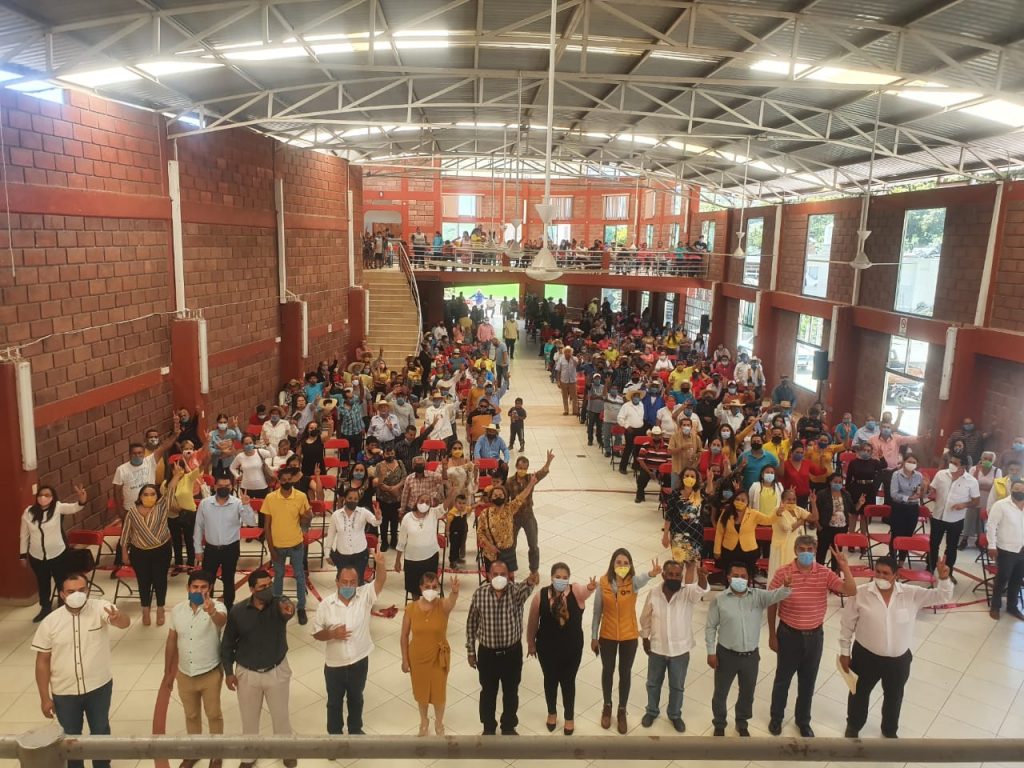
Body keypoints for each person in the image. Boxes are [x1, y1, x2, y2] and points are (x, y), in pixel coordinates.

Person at [840, 555, 954, 738]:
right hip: (866, 657)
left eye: (886, 573)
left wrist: (943, 578)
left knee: (894, 697)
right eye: (877, 572)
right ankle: (854, 725)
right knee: (858, 693)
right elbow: (847, 624)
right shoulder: (860, 593)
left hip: (898, 660)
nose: (880, 577)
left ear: (896, 575)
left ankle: (889, 730)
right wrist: (844, 652)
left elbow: (942, 596)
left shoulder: (911, 594)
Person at [32, 573, 131, 768]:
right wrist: (44, 697)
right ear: (62, 594)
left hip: (99, 687)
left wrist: (118, 617)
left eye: (81, 590)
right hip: (65, 692)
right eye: (71, 591)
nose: (77, 595)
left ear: (87, 590)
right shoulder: (50, 622)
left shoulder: (101, 608)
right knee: (70, 738)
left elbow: (124, 623)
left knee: (100, 732)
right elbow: (42, 661)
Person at [766, 535, 857, 737]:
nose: (806, 553)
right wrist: (772, 634)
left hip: (814, 637)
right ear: (795, 550)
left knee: (808, 682)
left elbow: (850, 590)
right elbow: (771, 603)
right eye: (802, 549)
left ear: (815, 551)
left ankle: (803, 721)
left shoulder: (824, 573)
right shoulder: (783, 572)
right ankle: (776, 718)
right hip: (788, 634)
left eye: (810, 549)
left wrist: (845, 567)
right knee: (782, 680)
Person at [221, 569, 297, 768]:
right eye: (262, 587)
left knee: (281, 716)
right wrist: (228, 672)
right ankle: (248, 756)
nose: (267, 589)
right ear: (252, 589)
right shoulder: (238, 612)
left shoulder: (279, 604)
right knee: (249, 719)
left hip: (276, 670)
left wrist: (289, 609)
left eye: (270, 584)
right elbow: (227, 643)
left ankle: (287, 751)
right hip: (247, 674)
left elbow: (288, 607)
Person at [706, 561, 791, 736]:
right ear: (728, 577)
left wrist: (786, 586)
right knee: (721, 692)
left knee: (747, 693)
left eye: (743, 576)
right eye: (735, 576)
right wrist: (711, 652)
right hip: (726, 655)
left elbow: (777, 595)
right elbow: (710, 627)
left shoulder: (758, 596)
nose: (740, 579)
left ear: (748, 578)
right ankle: (719, 723)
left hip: (751, 657)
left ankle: (742, 723)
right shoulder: (719, 600)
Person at [312, 550, 388, 736]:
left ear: (358, 583)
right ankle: (334, 735)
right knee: (334, 702)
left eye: (352, 582)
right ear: (337, 582)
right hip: (335, 665)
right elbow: (316, 634)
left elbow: (380, 581)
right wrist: (332, 634)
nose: (348, 586)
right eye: (344, 582)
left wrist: (380, 565)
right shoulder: (326, 605)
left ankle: (355, 729)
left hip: (359, 661)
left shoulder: (364, 596)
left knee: (356, 698)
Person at [592, 549, 662, 734]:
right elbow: (597, 612)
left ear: (630, 565)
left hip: (629, 636)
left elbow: (643, 578)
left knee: (625, 672)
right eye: (618, 562)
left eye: (625, 563)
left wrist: (652, 573)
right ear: (612, 564)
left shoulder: (633, 583)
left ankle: (622, 710)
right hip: (607, 635)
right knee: (608, 670)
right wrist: (593, 636)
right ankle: (607, 706)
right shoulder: (603, 583)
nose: (622, 566)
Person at [466, 561, 540, 735]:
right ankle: (488, 727)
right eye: (495, 574)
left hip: (511, 654)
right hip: (488, 655)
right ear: (488, 575)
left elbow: (527, 586)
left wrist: (531, 579)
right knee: (488, 693)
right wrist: (471, 651)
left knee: (511, 692)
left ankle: (508, 726)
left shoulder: (516, 592)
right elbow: (471, 623)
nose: (499, 577)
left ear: (509, 576)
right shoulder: (480, 594)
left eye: (503, 574)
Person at [639, 560, 710, 732]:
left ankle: (675, 714)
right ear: (663, 575)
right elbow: (645, 617)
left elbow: (701, 590)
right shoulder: (654, 593)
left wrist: (702, 577)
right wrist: (645, 638)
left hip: (680, 651)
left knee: (677, 686)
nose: (674, 578)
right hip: (657, 648)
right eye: (670, 574)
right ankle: (652, 711)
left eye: (678, 575)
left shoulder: (687, 592)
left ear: (682, 576)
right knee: (653, 684)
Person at [526, 564, 596, 736]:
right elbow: (533, 621)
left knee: (568, 682)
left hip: (572, 648)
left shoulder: (576, 591)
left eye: (565, 577)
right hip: (547, 648)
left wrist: (590, 588)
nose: (561, 580)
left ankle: (569, 717)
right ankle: (552, 713)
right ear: (551, 577)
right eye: (558, 577)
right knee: (550, 680)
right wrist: (530, 643)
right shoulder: (541, 596)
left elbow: (585, 592)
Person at [162, 570, 227, 753]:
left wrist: (211, 611)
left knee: (214, 715)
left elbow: (221, 621)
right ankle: (194, 752)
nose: (199, 591)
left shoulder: (218, 607)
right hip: (184, 674)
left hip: (210, 673)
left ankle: (216, 753)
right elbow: (171, 640)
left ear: (210, 588)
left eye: (203, 587)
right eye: (195, 587)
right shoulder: (177, 610)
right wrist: (168, 672)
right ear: (188, 588)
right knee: (191, 715)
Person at [121, 467, 183, 626]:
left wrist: (176, 476)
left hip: (161, 550)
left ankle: (160, 608)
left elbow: (170, 490)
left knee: (160, 580)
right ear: (140, 496)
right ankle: (145, 609)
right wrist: (124, 552)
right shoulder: (132, 512)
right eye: (145, 494)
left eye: (152, 494)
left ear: (157, 496)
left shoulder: (162, 506)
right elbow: (126, 533)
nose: (149, 497)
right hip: (139, 553)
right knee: (143, 581)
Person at [401, 572, 461, 736]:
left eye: (434, 587)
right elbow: (404, 635)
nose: (431, 590)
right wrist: (405, 659)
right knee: (421, 693)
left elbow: (451, 601)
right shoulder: (411, 609)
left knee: (439, 694)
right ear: (421, 588)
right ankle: (424, 721)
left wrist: (454, 592)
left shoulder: (442, 606)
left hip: (438, 658)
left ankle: (439, 723)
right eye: (427, 587)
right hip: (417, 657)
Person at [20, 483, 87, 622]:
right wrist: (22, 555)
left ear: (53, 497)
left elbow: (75, 507)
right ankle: (45, 608)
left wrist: (81, 498)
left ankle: (64, 606)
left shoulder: (58, 507)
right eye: (40, 495)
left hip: (58, 553)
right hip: (37, 556)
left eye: (47, 495)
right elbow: (24, 535)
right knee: (43, 582)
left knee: (61, 581)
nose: (43, 498)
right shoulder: (28, 512)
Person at [193, 476, 258, 610]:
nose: (224, 488)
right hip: (211, 549)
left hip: (231, 549)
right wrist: (198, 549)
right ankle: (207, 607)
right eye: (221, 486)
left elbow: (251, 522)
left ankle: (228, 609)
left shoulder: (238, 503)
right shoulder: (205, 503)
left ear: (231, 487)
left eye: (227, 486)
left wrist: (246, 505)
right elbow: (198, 527)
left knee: (228, 580)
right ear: (215, 487)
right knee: (207, 581)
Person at [262, 466, 313, 625]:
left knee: (299, 575)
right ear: (279, 481)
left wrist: (308, 517)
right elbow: (267, 526)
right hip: (277, 546)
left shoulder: (301, 496)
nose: (286, 482)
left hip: (296, 544)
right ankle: (277, 605)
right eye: (283, 480)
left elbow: (306, 520)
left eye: (289, 479)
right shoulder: (270, 498)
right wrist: (271, 549)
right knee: (278, 575)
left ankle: (301, 607)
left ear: (293, 480)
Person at [926, 454, 980, 578]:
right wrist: (927, 488)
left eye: (955, 463)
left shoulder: (971, 481)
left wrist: (964, 505)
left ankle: (948, 572)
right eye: (951, 462)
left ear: (963, 466)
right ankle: (930, 568)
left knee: (951, 547)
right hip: (938, 516)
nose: (951, 465)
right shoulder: (941, 474)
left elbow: (976, 501)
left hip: (955, 519)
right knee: (933, 544)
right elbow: (931, 490)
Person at [504, 450, 555, 579]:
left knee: (533, 545)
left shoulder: (530, 478)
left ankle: (534, 570)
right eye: (520, 468)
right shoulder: (509, 482)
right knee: (511, 545)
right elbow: (505, 499)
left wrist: (548, 462)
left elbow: (542, 473)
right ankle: (510, 570)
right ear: (516, 467)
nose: (522, 470)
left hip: (528, 516)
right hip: (514, 517)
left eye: (525, 468)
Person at [477, 477, 539, 575]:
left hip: (508, 551)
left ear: (505, 496)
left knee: (509, 577)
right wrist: (490, 546)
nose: (498, 497)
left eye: (500, 495)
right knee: (493, 578)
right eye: (495, 495)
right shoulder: (485, 513)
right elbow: (480, 533)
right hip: (491, 553)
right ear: (491, 498)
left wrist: (531, 484)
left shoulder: (509, 509)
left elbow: (521, 497)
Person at [395, 493, 448, 597]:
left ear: (430, 505)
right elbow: (401, 541)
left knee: (429, 589)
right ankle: (416, 606)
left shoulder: (433, 513)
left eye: (427, 502)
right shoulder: (407, 518)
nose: (424, 504)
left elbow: (445, 505)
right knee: (414, 589)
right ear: (416, 502)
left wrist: (452, 492)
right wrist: (397, 561)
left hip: (430, 558)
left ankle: (428, 605)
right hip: (412, 560)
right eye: (422, 501)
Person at [986, 478, 1024, 620]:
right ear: (1011, 490)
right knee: (1002, 579)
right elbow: (991, 526)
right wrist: (991, 545)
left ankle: (1012, 607)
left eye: (1022, 490)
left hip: (1022, 549)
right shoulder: (1001, 505)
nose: (1020, 492)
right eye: (1017, 489)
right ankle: (995, 607)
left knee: (1017, 579)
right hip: (1006, 549)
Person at [327, 487, 381, 584]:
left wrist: (378, 518)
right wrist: (327, 554)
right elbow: (330, 536)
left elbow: (375, 522)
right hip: (342, 555)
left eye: (355, 499)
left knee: (358, 581)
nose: (352, 501)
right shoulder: (336, 515)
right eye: (350, 498)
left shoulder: (363, 512)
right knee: (343, 582)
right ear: (345, 499)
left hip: (360, 555)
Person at [713, 491, 773, 576]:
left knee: (747, 576)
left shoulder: (754, 514)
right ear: (733, 500)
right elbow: (719, 532)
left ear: (747, 502)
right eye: (737, 499)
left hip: (749, 551)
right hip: (729, 551)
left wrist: (778, 513)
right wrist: (717, 550)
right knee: (729, 575)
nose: (740, 502)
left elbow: (769, 520)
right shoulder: (725, 513)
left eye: (743, 500)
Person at [768, 488, 814, 582]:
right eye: (788, 499)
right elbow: (787, 528)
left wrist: (813, 503)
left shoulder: (798, 509)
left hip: (796, 547)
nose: (792, 501)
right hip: (782, 547)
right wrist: (801, 521)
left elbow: (814, 518)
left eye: (794, 499)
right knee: (781, 575)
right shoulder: (777, 510)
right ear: (782, 500)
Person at [662, 468, 706, 564]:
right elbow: (668, 516)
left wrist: (710, 480)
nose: (689, 478)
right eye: (687, 476)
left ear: (696, 479)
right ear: (682, 477)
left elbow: (710, 492)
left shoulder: (699, 494)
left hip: (696, 535)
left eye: (692, 476)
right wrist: (665, 535)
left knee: (692, 565)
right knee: (678, 564)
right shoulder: (674, 494)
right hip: (679, 534)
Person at [889, 456, 926, 563]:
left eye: (914, 462)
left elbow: (921, 493)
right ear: (904, 462)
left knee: (907, 536)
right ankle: (892, 561)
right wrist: (909, 498)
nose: (911, 464)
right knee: (896, 534)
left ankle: (901, 561)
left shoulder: (919, 475)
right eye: (909, 461)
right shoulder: (896, 474)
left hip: (913, 508)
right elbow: (894, 494)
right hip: (899, 507)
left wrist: (925, 489)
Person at [814, 474, 854, 570]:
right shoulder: (822, 494)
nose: (838, 484)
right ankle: (819, 572)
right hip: (825, 528)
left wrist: (860, 503)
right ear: (830, 482)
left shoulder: (846, 494)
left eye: (840, 482)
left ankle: (835, 572)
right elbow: (815, 511)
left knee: (837, 553)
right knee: (821, 552)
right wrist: (818, 526)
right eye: (835, 482)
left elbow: (852, 510)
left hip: (841, 528)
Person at [635, 427, 672, 504]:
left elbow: (669, 461)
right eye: (655, 435)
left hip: (661, 470)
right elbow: (641, 460)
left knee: (669, 478)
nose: (657, 437)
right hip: (647, 468)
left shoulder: (667, 446)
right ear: (652, 435)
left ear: (661, 435)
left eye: (658, 435)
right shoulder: (645, 445)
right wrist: (649, 472)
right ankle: (640, 495)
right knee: (642, 477)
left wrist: (662, 472)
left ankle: (664, 497)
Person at [554, 346, 580, 416]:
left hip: (572, 381)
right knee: (564, 396)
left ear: (571, 352)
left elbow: (576, 364)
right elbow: (558, 371)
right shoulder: (561, 359)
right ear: (564, 352)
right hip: (564, 380)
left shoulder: (574, 358)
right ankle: (566, 410)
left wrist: (571, 357)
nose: (567, 353)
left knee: (574, 396)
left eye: (569, 352)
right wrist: (558, 381)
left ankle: (575, 411)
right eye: (566, 352)